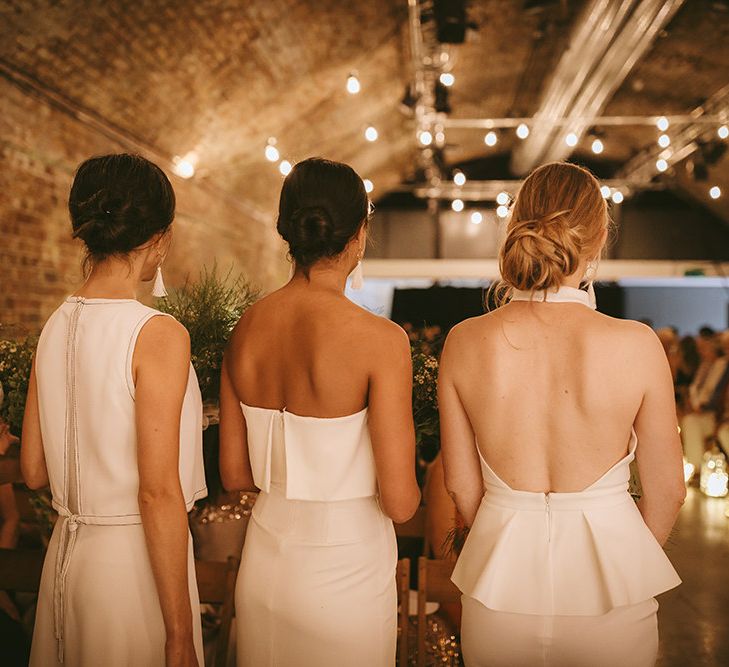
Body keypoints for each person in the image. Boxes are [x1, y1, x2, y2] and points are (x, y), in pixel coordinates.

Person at [439, 161, 685, 667]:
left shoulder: (464, 341)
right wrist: (621, 558)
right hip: (610, 591)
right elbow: (669, 490)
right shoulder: (637, 345)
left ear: (517, 229)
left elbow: (463, 488)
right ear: (597, 240)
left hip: (499, 590)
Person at [219, 157, 420, 667]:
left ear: (289, 229)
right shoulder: (381, 340)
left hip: (265, 563)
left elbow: (235, 474)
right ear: (358, 234)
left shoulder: (246, 328)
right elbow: (400, 504)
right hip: (347, 570)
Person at [21, 154, 206, 666]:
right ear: (159, 238)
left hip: (66, 559)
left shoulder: (54, 325)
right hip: (136, 572)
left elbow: (35, 471)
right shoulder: (158, 334)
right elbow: (158, 490)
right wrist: (179, 634)